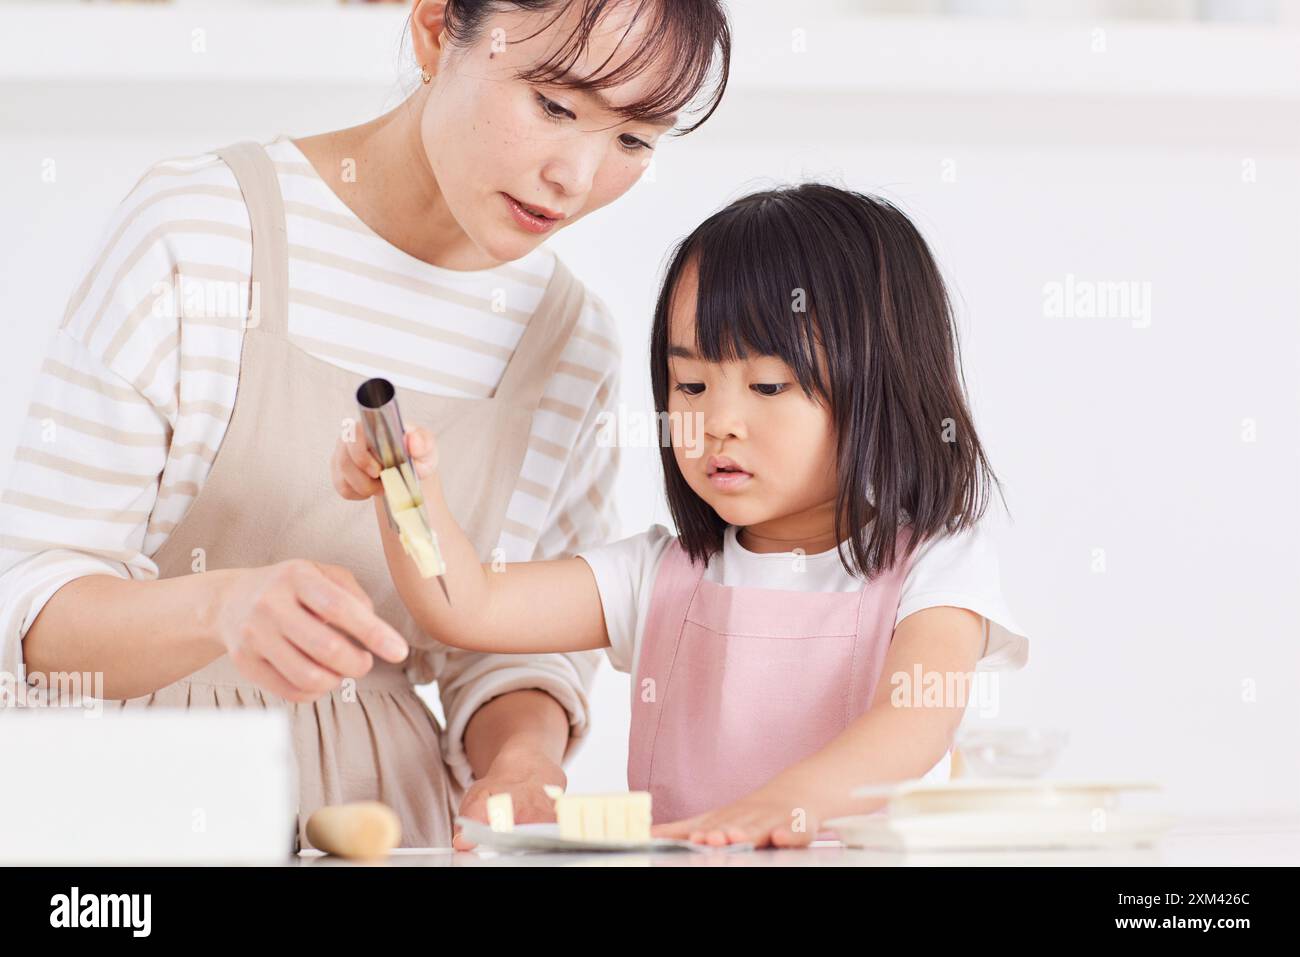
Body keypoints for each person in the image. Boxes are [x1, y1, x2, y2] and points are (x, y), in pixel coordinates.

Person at [0, 0, 731, 850]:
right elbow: (31, 604)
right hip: (137, 799)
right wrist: (221, 606)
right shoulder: (203, 231)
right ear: (432, 31)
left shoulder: (571, 344)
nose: (575, 173)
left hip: (394, 821)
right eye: (554, 106)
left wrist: (522, 765)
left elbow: (508, 648)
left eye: (633, 139)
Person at [333, 183, 1031, 847]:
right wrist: (404, 491)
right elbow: (470, 605)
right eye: (691, 383)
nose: (717, 420)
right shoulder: (658, 575)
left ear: (882, 385)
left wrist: (778, 804)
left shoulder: (938, 567)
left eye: (767, 384)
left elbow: (913, 726)